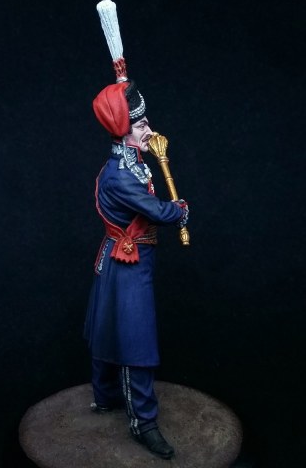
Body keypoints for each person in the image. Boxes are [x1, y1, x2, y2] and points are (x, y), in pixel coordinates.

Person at [84, 80, 189, 460]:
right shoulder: (120, 176)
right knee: (135, 341)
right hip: (126, 263)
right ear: (124, 130)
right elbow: (158, 212)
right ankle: (143, 422)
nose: (149, 129)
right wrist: (179, 211)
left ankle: (105, 396)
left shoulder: (131, 163)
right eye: (141, 124)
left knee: (111, 327)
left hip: (129, 259)